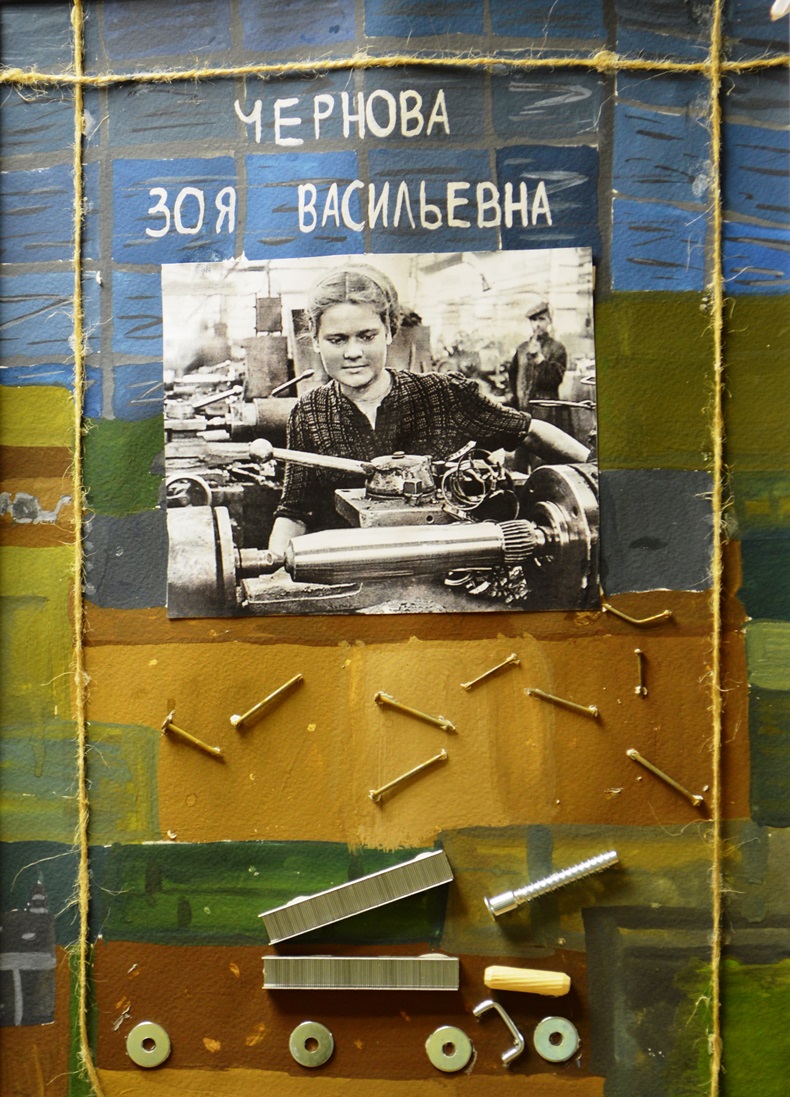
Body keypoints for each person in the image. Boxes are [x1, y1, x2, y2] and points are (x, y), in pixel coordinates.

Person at [268, 265, 588, 552]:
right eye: (337, 340)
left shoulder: (441, 394)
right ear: (316, 341)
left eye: (366, 336)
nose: (353, 352)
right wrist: (273, 567)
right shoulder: (309, 411)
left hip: (448, 574)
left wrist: (593, 472)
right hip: (349, 573)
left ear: (389, 331)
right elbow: (295, 511)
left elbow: (529, 431)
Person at [508, 297, 571, 431]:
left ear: (549, 321)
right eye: (534, 320)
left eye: (542, 319)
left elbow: (555, 380)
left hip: (546, 412)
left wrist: (540, 360)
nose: (537, 324)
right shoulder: (522, 349)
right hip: (523, 410)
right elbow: (512, 375)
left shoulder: (557, 348)